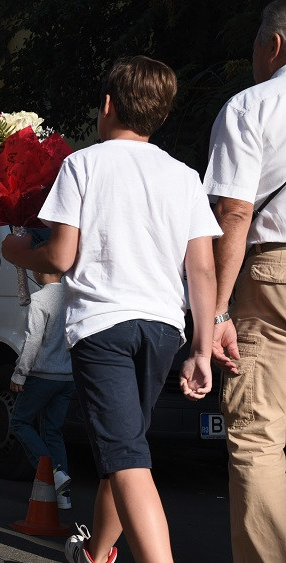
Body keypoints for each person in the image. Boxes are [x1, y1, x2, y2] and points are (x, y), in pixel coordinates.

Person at [0, 56, 220, 563]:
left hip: (103, 328)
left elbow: (59, 258)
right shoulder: (184, 176)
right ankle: (97, 554)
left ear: (106, 105)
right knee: (124, 451)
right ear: (161, 116)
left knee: (126, 458)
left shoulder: (82, 164)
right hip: (164, 329)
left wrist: (17, 252)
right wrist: (202, 349)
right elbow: (201, 272)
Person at [205, 3, 286, 560]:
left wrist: (215, 314)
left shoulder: (254, 107)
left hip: (272, 273)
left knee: (258, 436)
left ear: (274, 45)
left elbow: (234, 212)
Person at [9, 271, 75, 510]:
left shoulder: (40, 300)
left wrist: (19, 373)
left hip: (42, 375)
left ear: (43, 271)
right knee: (53, 431)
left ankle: (53, 475)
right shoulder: (73, 297)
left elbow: (33, 340)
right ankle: (63, 496)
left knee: (19, 422)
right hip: (68, 377)